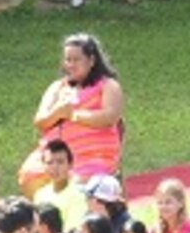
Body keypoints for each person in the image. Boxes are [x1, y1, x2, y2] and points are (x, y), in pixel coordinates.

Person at [17, 34, 125, 196]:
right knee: (29, 175)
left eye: (77, 59)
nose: (71, 65)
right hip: (54, 156)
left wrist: (73, 114)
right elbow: (40, 121)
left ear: (91, 61)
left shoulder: (108, 85)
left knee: (76, 186)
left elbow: (110, 117)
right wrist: (58, 112)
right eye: (68, 60)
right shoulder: (57, 87)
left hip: (92, 154)